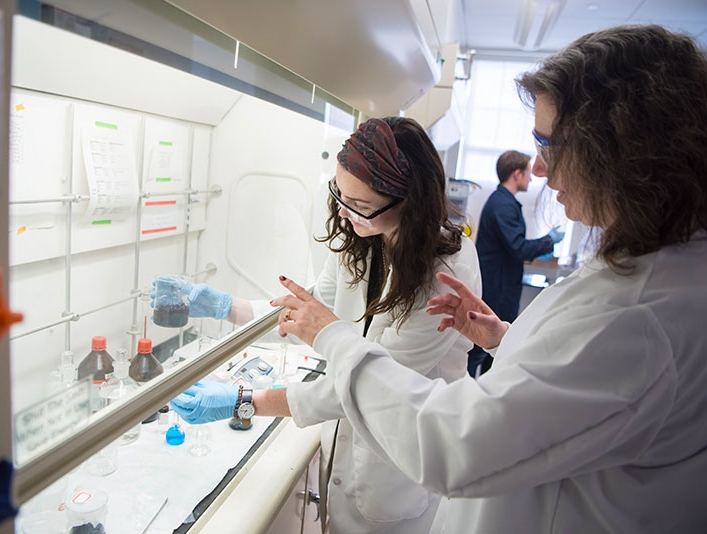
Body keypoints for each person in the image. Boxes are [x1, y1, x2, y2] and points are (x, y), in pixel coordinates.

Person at [266, 25, 707, 533]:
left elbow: (456, 444)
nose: (538, 168)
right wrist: (505, 339)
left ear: (623, 149)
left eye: (548, 144)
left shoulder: (640, 317)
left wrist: (332, 341)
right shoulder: (652, 274)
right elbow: (570, 389)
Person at [164, 117, 482, 533]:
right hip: (344, 450)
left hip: (399, 466)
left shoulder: (446, 269)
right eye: (341, 196)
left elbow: (373, 386)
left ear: (412, 201)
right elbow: (310, 314)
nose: (348, 214)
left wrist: (245, 401)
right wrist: (225, 307)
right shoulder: (362, 238)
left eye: (363, 207)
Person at [467, 150, 564, 377]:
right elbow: (518, 247)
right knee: (482, 350)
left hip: (501, 284)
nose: (532, 178)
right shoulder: (503, 204)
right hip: (497, 288)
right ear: (517, 174)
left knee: (492, 350)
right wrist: (549, 240)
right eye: (528, 173)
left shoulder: (504, 202)